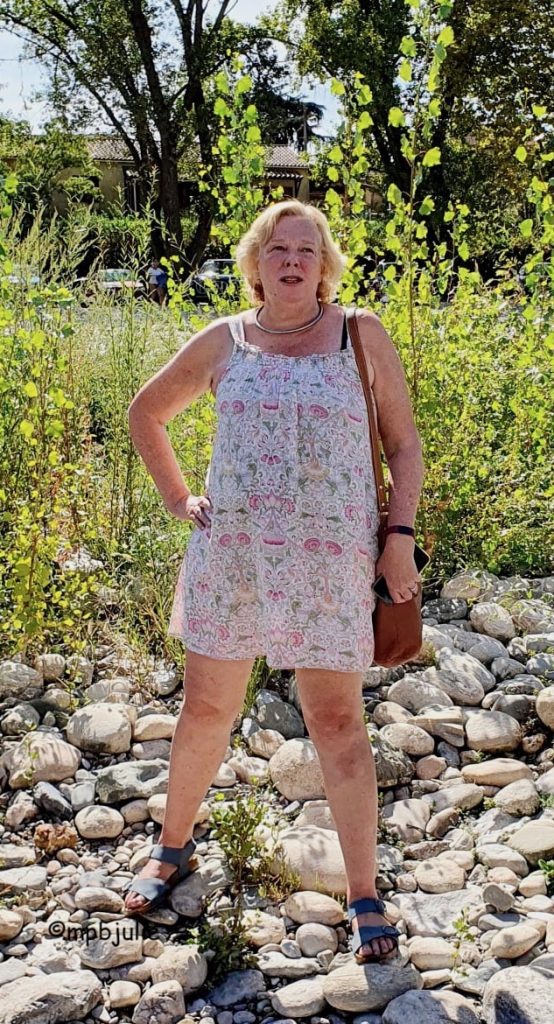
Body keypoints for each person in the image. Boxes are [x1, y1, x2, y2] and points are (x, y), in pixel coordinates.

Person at [125, 199, 425, 964]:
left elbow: (403, 445)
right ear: (255, 265)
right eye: (276, 249)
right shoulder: (225, 340)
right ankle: (172, 846)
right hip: (235, 560)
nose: (291, 260)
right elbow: (146, 412)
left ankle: (364, 893)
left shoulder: (362, 335)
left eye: (306, 249)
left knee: (336, 725)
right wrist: (177, 497)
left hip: (332, 565)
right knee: (206, 710)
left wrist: (398, 541)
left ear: (325, 267)